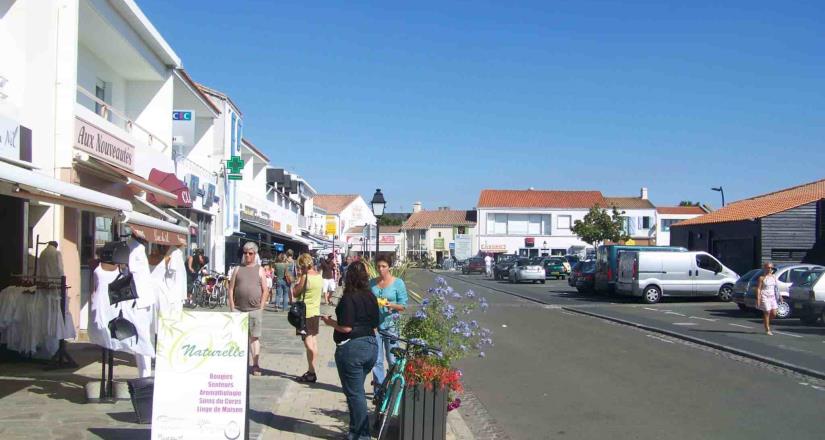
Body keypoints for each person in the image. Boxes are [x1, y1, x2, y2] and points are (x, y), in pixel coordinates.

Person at [321, 261, 379, 440]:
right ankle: (354, 431)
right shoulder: (371, 296)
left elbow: (346, 327)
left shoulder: (349, 297)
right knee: (356, 391)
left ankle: (362, 434)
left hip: (352, 348)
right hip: (371, 346)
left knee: (355, 394)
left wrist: (329, 322)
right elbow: (376, 324)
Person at [228, 242, 268, 376]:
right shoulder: (238, 269)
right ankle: (239, 364)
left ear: (255, 254)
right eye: (245, 253)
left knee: (254, 338)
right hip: (239, 310)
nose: (247, 255)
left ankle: (255, 365)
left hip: (254, 310)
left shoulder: (259, 269)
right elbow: (231, 288)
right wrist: (232, 307)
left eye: (250, 253)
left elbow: (265, 290)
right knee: (238, 338)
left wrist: (261, 307)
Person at [370, 255, 407, 395]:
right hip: (375, 326)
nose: (381, 269)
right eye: (378, 266)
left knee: (392, 358)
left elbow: (403, 305)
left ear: (389, 267)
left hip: (392, 325)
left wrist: (391, 305)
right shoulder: (371, 283)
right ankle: (378, 391)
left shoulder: (398, 283)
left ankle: (393, 390)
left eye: (384, 266)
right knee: (376, 360)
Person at [292, 253, 323, 382]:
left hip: (305, 314)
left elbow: (295, 292)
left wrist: (298, 280)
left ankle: (311, 371)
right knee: (314, 341)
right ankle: (312, 370)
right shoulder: (319, 276)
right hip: (315, 312)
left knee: (308, 343)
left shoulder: (305, 277)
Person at [756, 261, 779, 336]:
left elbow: (776, 288)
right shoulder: (761, 278)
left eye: (771, 268)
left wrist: (780, 296)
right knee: (767, 312)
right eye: (768, 268)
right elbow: (759, 288)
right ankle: (767, 329)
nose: (770, 269)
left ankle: (766, 322)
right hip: (765, 296)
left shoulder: (774, 277)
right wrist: (758, 299)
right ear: (765, 268)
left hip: (772, 297)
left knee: (774, 313)